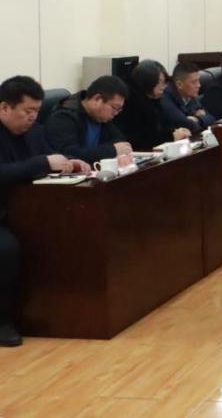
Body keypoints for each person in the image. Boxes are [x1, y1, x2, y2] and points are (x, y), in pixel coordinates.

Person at [0, 76, 91, 347]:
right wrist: (43, 162)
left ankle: (62, 311)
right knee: (6, 249)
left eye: (37, 111)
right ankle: (2, 320)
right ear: (4, 107)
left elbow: (51, 157)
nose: (33, 117)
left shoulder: (35, 132)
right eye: (27, 111)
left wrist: (70, 163)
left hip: (28, 210)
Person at [45, 75, 133, 163]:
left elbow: (120, 142)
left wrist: (114, 149)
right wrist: (111, 150)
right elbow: (69, 156)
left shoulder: (101, 117)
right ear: (97, 99)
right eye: (114, 108)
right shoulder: (63, 118)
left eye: (119, 109)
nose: (116, 113)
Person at [116, 60, 192, 150]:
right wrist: (171, 136)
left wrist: (176, 131)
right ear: (147, 82)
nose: (163, 87)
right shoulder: (130, 101)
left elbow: (163, 125)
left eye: (164, 82)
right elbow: (141, 138)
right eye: (160, 82)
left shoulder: (153, 98)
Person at [160, 62, 216, 134]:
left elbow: (212, 119)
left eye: (198, 80)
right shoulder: (165, 96)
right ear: (179, 84)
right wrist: (197, 119)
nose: (199, 85)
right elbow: (185, 124)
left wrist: (197, 119)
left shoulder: (190, 95)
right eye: (194, 82)